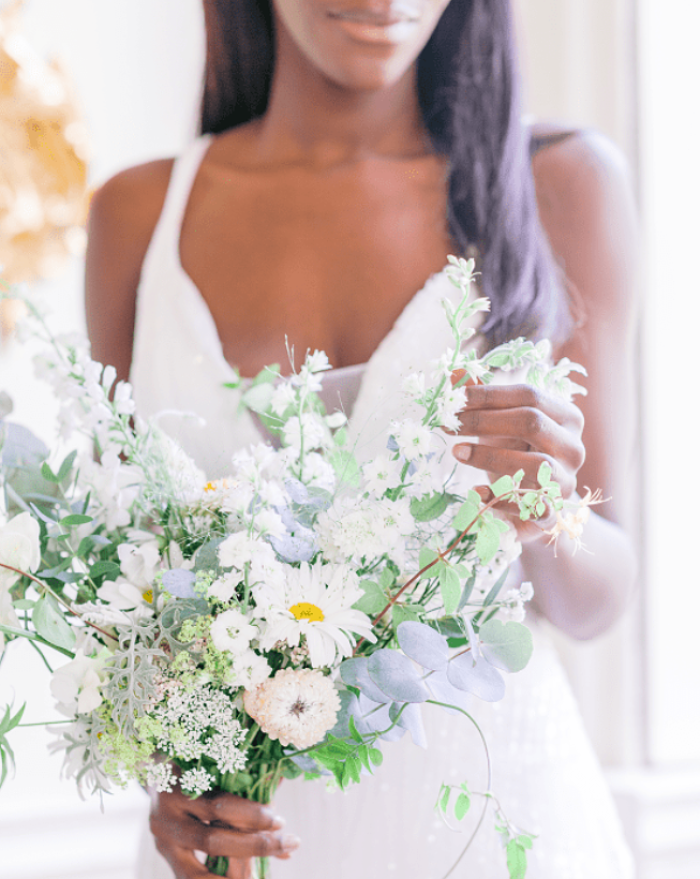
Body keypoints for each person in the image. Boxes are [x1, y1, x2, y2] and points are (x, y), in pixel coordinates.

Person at [85, 1, 639, 876]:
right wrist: (172, 778)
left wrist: (546, 508)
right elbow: (133, 595)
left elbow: (601, 598)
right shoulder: (138, 214)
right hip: (246, 842)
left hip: (493, 828)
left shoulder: (559, 182)